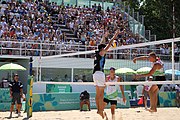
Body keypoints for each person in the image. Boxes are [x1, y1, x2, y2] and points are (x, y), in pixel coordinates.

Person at [93, 29, 120, 118]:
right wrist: (114, 36)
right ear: (102, 49)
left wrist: (104, 36)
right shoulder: (101, 53)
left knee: (98, 94)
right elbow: (108, 45)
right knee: (101, 94)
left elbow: (101, 44)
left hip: (94, 74)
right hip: (100, 74)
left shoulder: (97, 53)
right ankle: (100, 110)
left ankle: (99, 110)